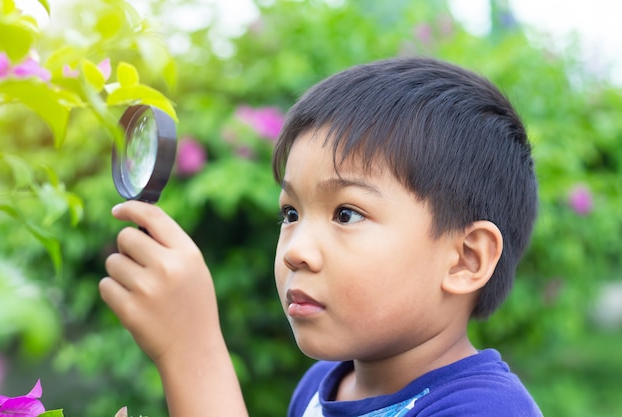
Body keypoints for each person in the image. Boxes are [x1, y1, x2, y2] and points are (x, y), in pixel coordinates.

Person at [100, 57, 543, 416]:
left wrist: (191, 351)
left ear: (466, 259)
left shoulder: (487, 409)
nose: (296, 251)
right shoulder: (322, 385)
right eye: (291, 213)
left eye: (346, 214)